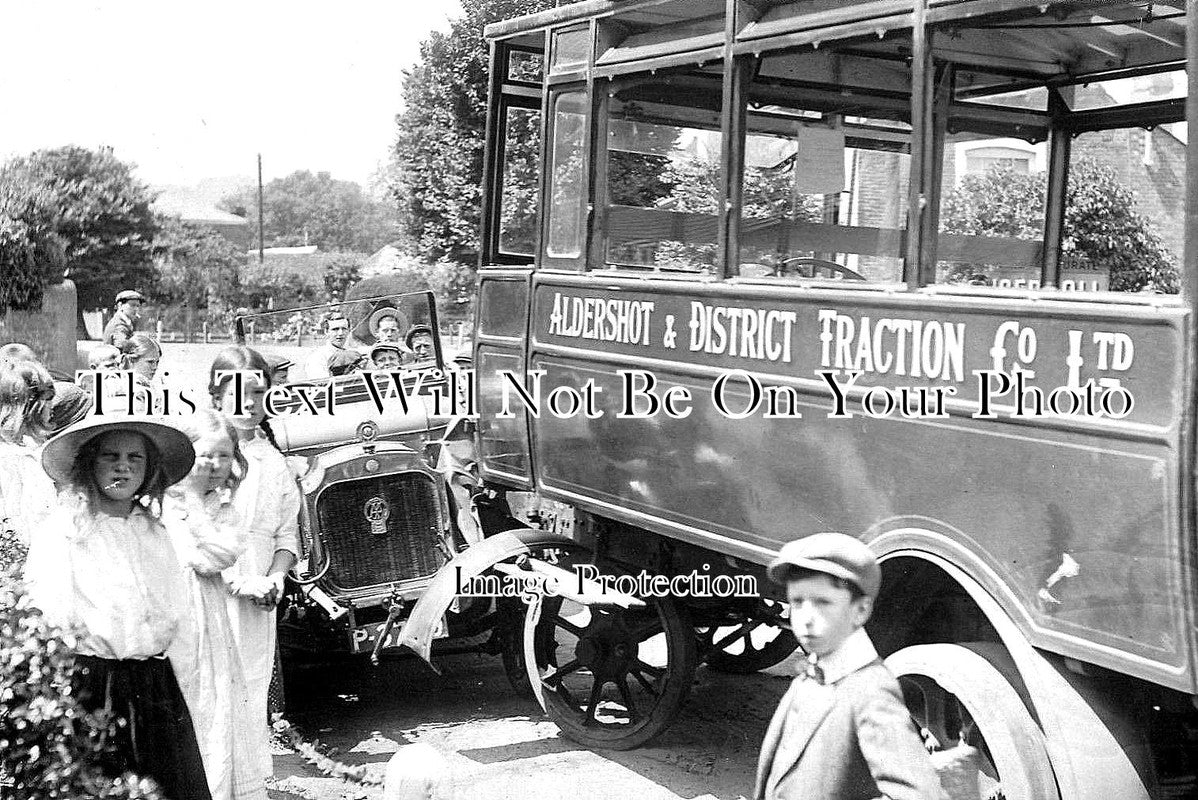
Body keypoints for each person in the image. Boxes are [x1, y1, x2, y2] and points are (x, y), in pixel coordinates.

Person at [22, 415, 212, 800]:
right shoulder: (67, 530)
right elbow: (51, 612)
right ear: (90, 463)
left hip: (155, 686)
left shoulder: (155, 531)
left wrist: (183, 677)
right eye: (110, 456)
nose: (123, 466)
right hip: (94, 683)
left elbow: (178, 611)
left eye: (134, 458)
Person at [754, 532, 944, 800]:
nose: (806, 619)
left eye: (823, 603)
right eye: (797, 602)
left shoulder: (870, 691)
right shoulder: (812, 675)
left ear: (861, 611)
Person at [209, 346, 302, 786]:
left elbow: (287, 536)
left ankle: (249, 787)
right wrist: (236, 582)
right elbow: (191, 533)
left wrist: (275, 577)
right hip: (211, 593)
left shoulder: (274, 461)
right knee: (212, 691)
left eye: (258, 393)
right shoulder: (205, 456)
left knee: (251, 686)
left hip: (258, 600)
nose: (248, 405)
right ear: (216, 395)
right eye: (237, 393)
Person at [164, 409, 266, 800]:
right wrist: (185, 500)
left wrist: (193, 502)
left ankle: (219, 790)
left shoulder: (225, 509)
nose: (214, 465)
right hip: (172, 611)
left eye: (224, 456)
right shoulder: (163, 502)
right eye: (205, 455)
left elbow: (214, 557)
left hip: (207, 612)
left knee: (215, 700)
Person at [0, 360, 57, 570]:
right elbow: (30, 520)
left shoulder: (31, 448)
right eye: (48, 400)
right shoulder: (16, 459)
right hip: (21, 562)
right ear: (31, 405)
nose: (52, 407)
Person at [303, 314, 364, 379]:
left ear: (348, 330)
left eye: (344, 329)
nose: (340, 333)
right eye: (335, 329)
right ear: (326, 331)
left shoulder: (354, 353)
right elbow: (322, 383)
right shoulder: (318, 357)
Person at [103, 289, 146, 355]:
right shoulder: (119, 324)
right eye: (132, 305)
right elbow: (122, 345)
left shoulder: (125, 322)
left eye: (138, 306)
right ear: (120, 306)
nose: (136, 309)